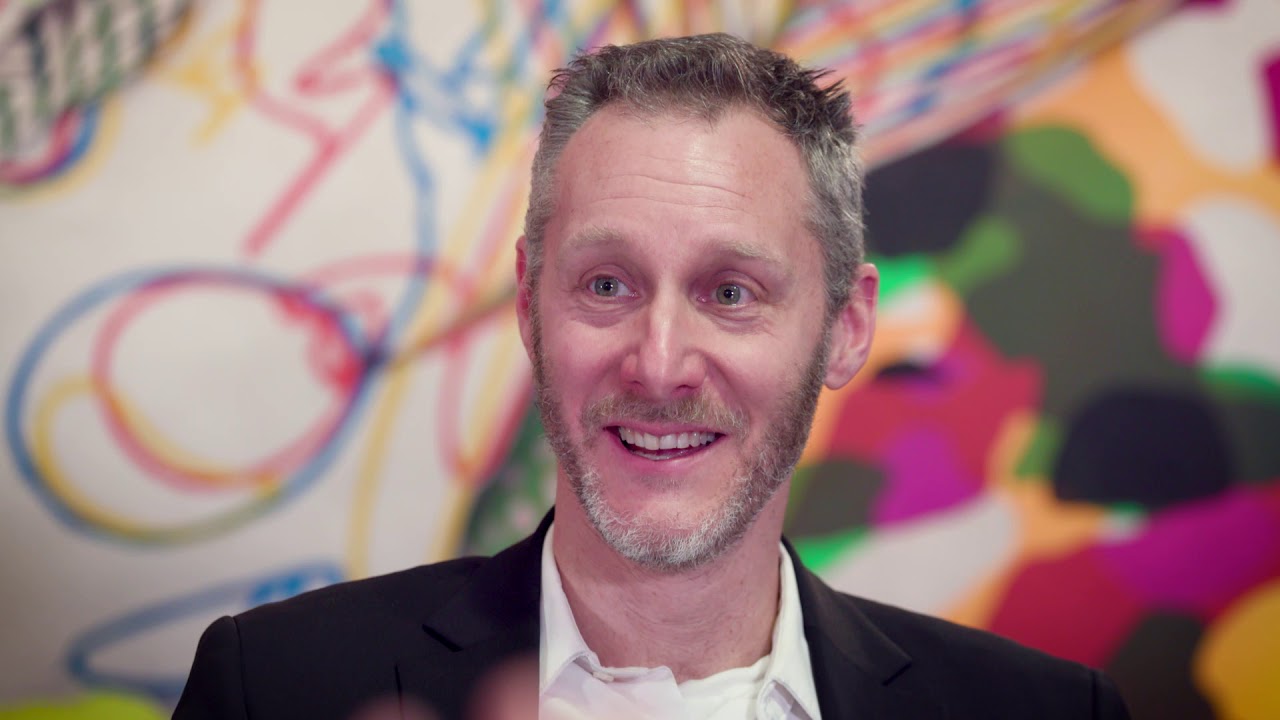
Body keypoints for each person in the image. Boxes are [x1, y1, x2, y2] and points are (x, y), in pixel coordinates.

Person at [174, 33, 1131, 720]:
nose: (660, 363)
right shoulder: (276, 687)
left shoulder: (1045, 711)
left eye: (731, 292)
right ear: (528, 303)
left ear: (845, 328)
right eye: (607, 284)